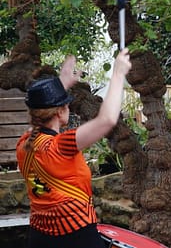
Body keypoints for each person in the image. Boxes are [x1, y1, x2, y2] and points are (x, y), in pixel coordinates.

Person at [17, 50, 131, 248]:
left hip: (39, 237)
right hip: (75, 236)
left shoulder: (24, 144)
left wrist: (59, 85)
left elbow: (42, 113)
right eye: (67, 106)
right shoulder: (60, 147)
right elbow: (107, 120)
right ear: (61, 112)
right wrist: (118, 74)